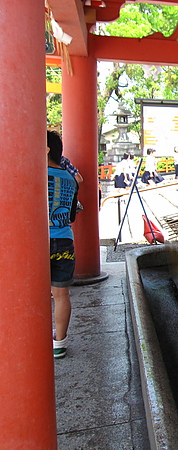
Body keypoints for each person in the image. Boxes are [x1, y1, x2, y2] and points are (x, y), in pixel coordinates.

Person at [47, 130, 79, 359]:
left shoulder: (35, 174)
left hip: (39, 242)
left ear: (47, 149)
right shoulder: (71, 179)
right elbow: (71, 215)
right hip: (64, 240)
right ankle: (60, 342)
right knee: (61, 294)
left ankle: (34, 336)